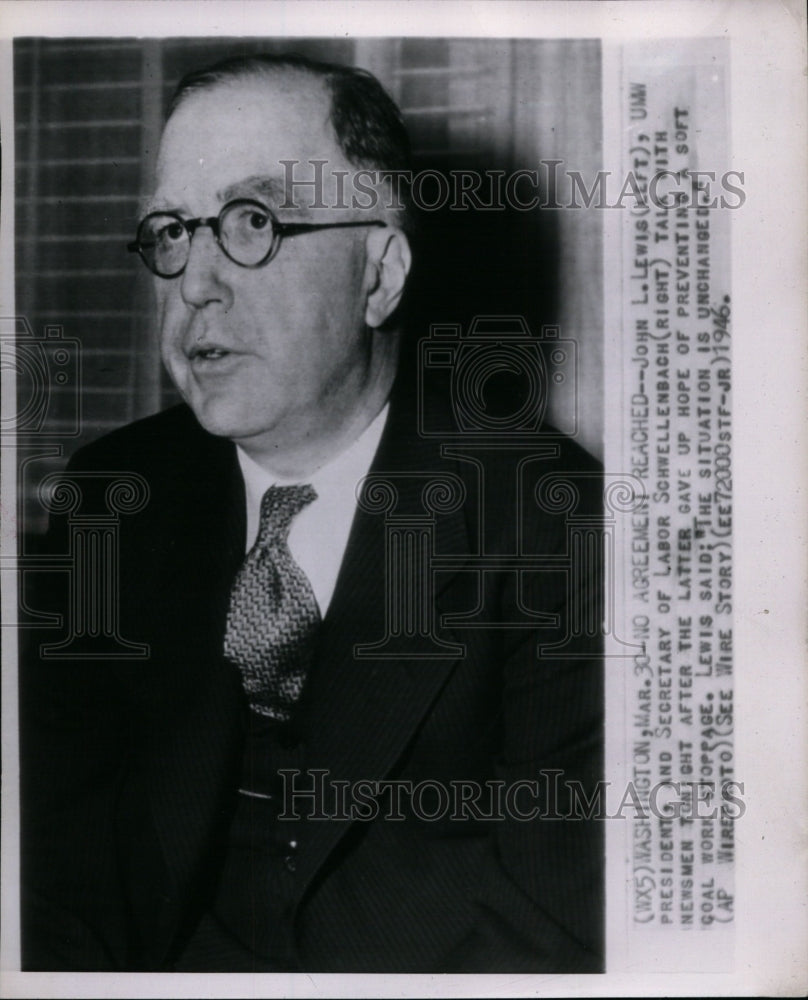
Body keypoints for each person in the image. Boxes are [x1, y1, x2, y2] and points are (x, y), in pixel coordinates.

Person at [20, 53, 604, 973]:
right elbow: (51, 873)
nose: (196, 284)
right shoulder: (115, 495)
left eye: (252, 221)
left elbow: (564, 923)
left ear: (379, 274)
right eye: (172, 231)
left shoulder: (553, 519)